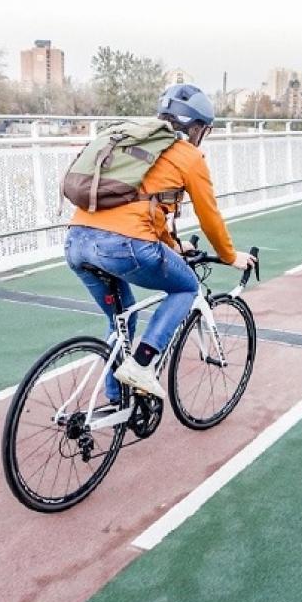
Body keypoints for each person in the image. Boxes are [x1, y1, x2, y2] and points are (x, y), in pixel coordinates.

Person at [65, 84, 256, 401]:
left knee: (121, 319)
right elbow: (209, 217)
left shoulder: (134, 141)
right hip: (122, 246)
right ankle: (141, 366)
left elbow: (142, 205)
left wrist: (172, 245)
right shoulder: (187, 155)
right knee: (186, 287)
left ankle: (116, 399)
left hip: (76, 241)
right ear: (197, 128)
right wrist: (229, 255)